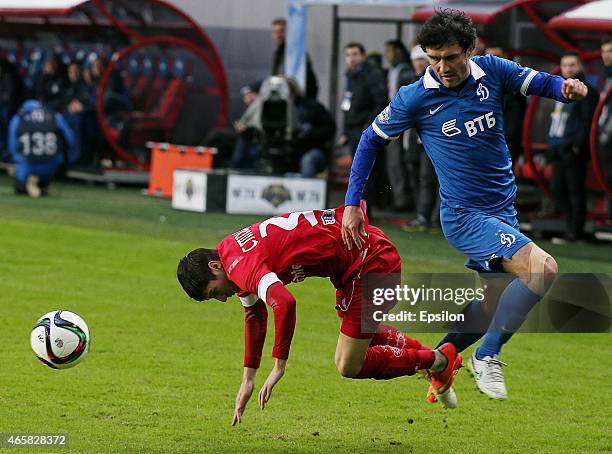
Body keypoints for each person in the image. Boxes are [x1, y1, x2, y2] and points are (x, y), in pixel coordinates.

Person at [341, 9, 588, 400]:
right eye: (433, 58)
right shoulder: (414, 96)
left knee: (494, 302)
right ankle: (487, 355)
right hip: (463, 215)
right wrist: (353, 202)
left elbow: (538, 81)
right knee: (543, 269)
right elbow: (370, 140)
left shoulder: (491, 70)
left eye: (451, 57)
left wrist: (565, 88)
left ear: (470, 49)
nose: (442, 66)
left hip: (502, 211)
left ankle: (440, 362)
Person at [177, 204, 462, 424]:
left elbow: (285, 303)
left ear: (215, 266)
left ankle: (438, 360)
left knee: (348, 363)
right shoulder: (231, 253)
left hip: (368, 261)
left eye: (215, 292)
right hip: (355, 261)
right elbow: (254, 314)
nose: (222, 298)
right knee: (358, 336)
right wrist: (248, 377)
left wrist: (279, 366)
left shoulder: (240, 266)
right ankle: (436, 360)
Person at [548, 53, 599, 243]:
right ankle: (571, 227)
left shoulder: (587, 92)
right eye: (565, 65)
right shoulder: (560, 89)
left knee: (575, 190)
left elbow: (587, 122)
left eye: (572, 64)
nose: (568, 68)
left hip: (572, 149)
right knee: (558, 187)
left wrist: (577, 145)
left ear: (580, 66)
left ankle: (575, 231)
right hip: (558, 147)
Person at [338, 42, 389, 210]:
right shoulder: (351, 76)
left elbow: (380, 101)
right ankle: (363, 206)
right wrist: (345, 131)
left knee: (366, 170)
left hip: (365, 130)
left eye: (354, 54)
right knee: (359, 169)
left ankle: (367, 208)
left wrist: (369, 126)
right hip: (353, 129)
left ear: (363, 56)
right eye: (348, 55)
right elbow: (348, 105)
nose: (351, 58)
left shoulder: (372, 74)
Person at [8, 99, 76, 197]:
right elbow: (70, 139)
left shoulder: (18, 118)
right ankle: (42, 184)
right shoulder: (55, 116)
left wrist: (18, 160)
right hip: (50, 164)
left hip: (27, 164)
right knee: (44, 186)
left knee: (20, 189)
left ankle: (27, 182)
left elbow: (12, 146)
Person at [405, 45, 440, 230]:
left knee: (434, 179)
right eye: (415, 59)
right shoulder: (413, 83)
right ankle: (425, 215)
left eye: (420, 59)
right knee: (423, 177)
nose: (417, 63)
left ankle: (434, 217)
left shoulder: (435, 81)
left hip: (437, 139)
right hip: (419, 138)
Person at [384, 40, 414, 210]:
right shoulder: (394, 71)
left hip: (399, 122)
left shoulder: (404, 71)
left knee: (397, 162)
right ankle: (399, 197)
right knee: (394, 162)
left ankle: (402, 199)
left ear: (397, 52)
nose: (386, 55)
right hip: (392, 120)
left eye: (389, 51)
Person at [485, 45, 527, 164]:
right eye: (487, 58)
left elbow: (514, 125)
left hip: (504, 148)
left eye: (496, 57)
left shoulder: (515, 88)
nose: (491, 62)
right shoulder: (477, 85)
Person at [270, 17, 319, 100]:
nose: (278, 35)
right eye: (275, 32)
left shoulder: (297, 55)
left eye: (281, 31)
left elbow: (311, 82)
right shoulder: (277, 55)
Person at [599, 36, 612, 222]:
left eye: (610, 51)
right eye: (604, 51)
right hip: (605, 138)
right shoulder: (606, 77)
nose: (606, 55)